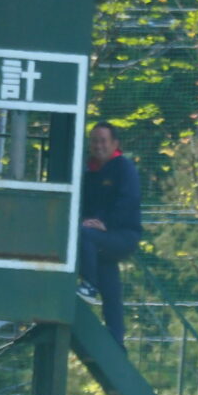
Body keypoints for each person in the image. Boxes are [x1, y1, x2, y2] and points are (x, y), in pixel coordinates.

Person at [76, 122, 142, 349]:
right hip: (99, 239)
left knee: (84, 235)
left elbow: (128, 201)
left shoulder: (124, 167)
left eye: (103, 141)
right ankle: (117, 342)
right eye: (94, 141)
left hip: (123, 235)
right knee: (111, 288)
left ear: (115, 143)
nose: (98, 145)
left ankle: (89, 285)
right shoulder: (88, 170)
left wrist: (105, 223)